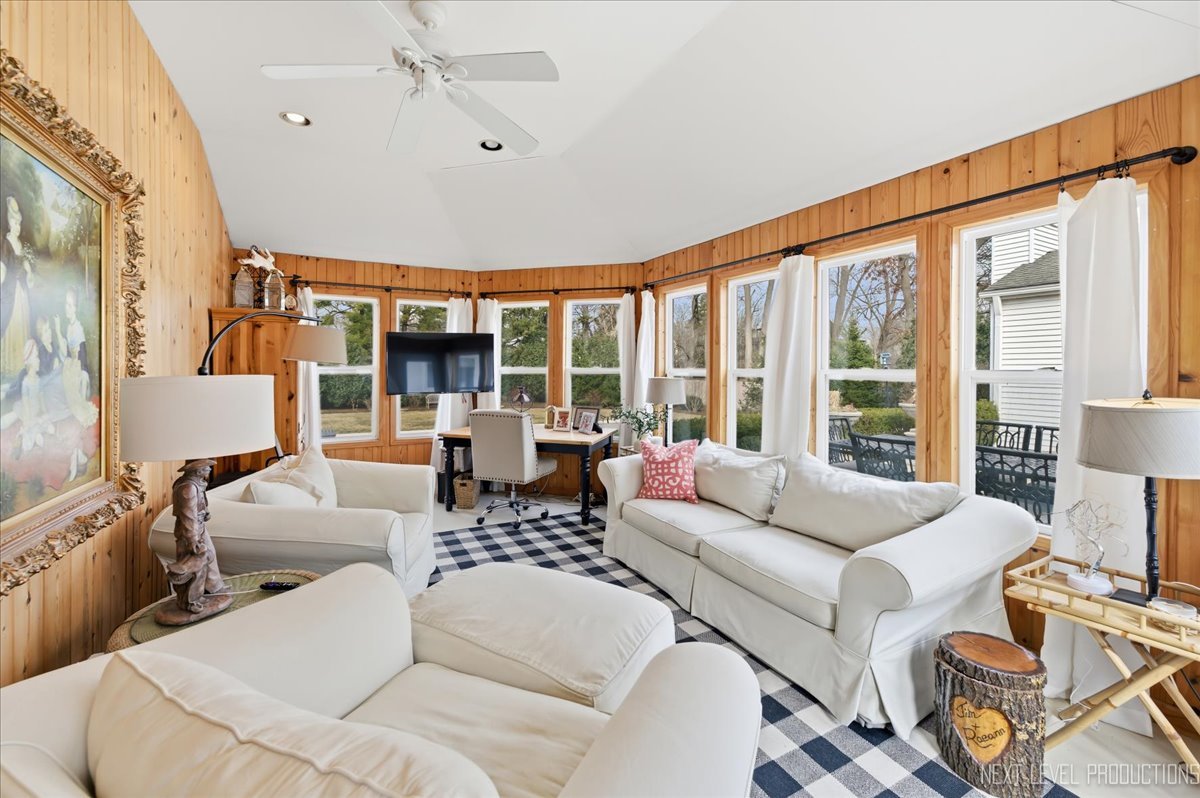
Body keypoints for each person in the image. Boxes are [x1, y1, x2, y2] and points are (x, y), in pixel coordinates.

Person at [1, 195, 35, 381]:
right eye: (14, 222)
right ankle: (10, 366)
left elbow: (24, 263)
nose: (17, 226)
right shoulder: (6, 242)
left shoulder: (19, 243)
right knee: (10, 321)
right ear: (9, 222)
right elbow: (3, 265)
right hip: (9, 290)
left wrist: (29, 273)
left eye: (19, 223)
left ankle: (21, 363)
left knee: (22, 321)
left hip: (20, 290)